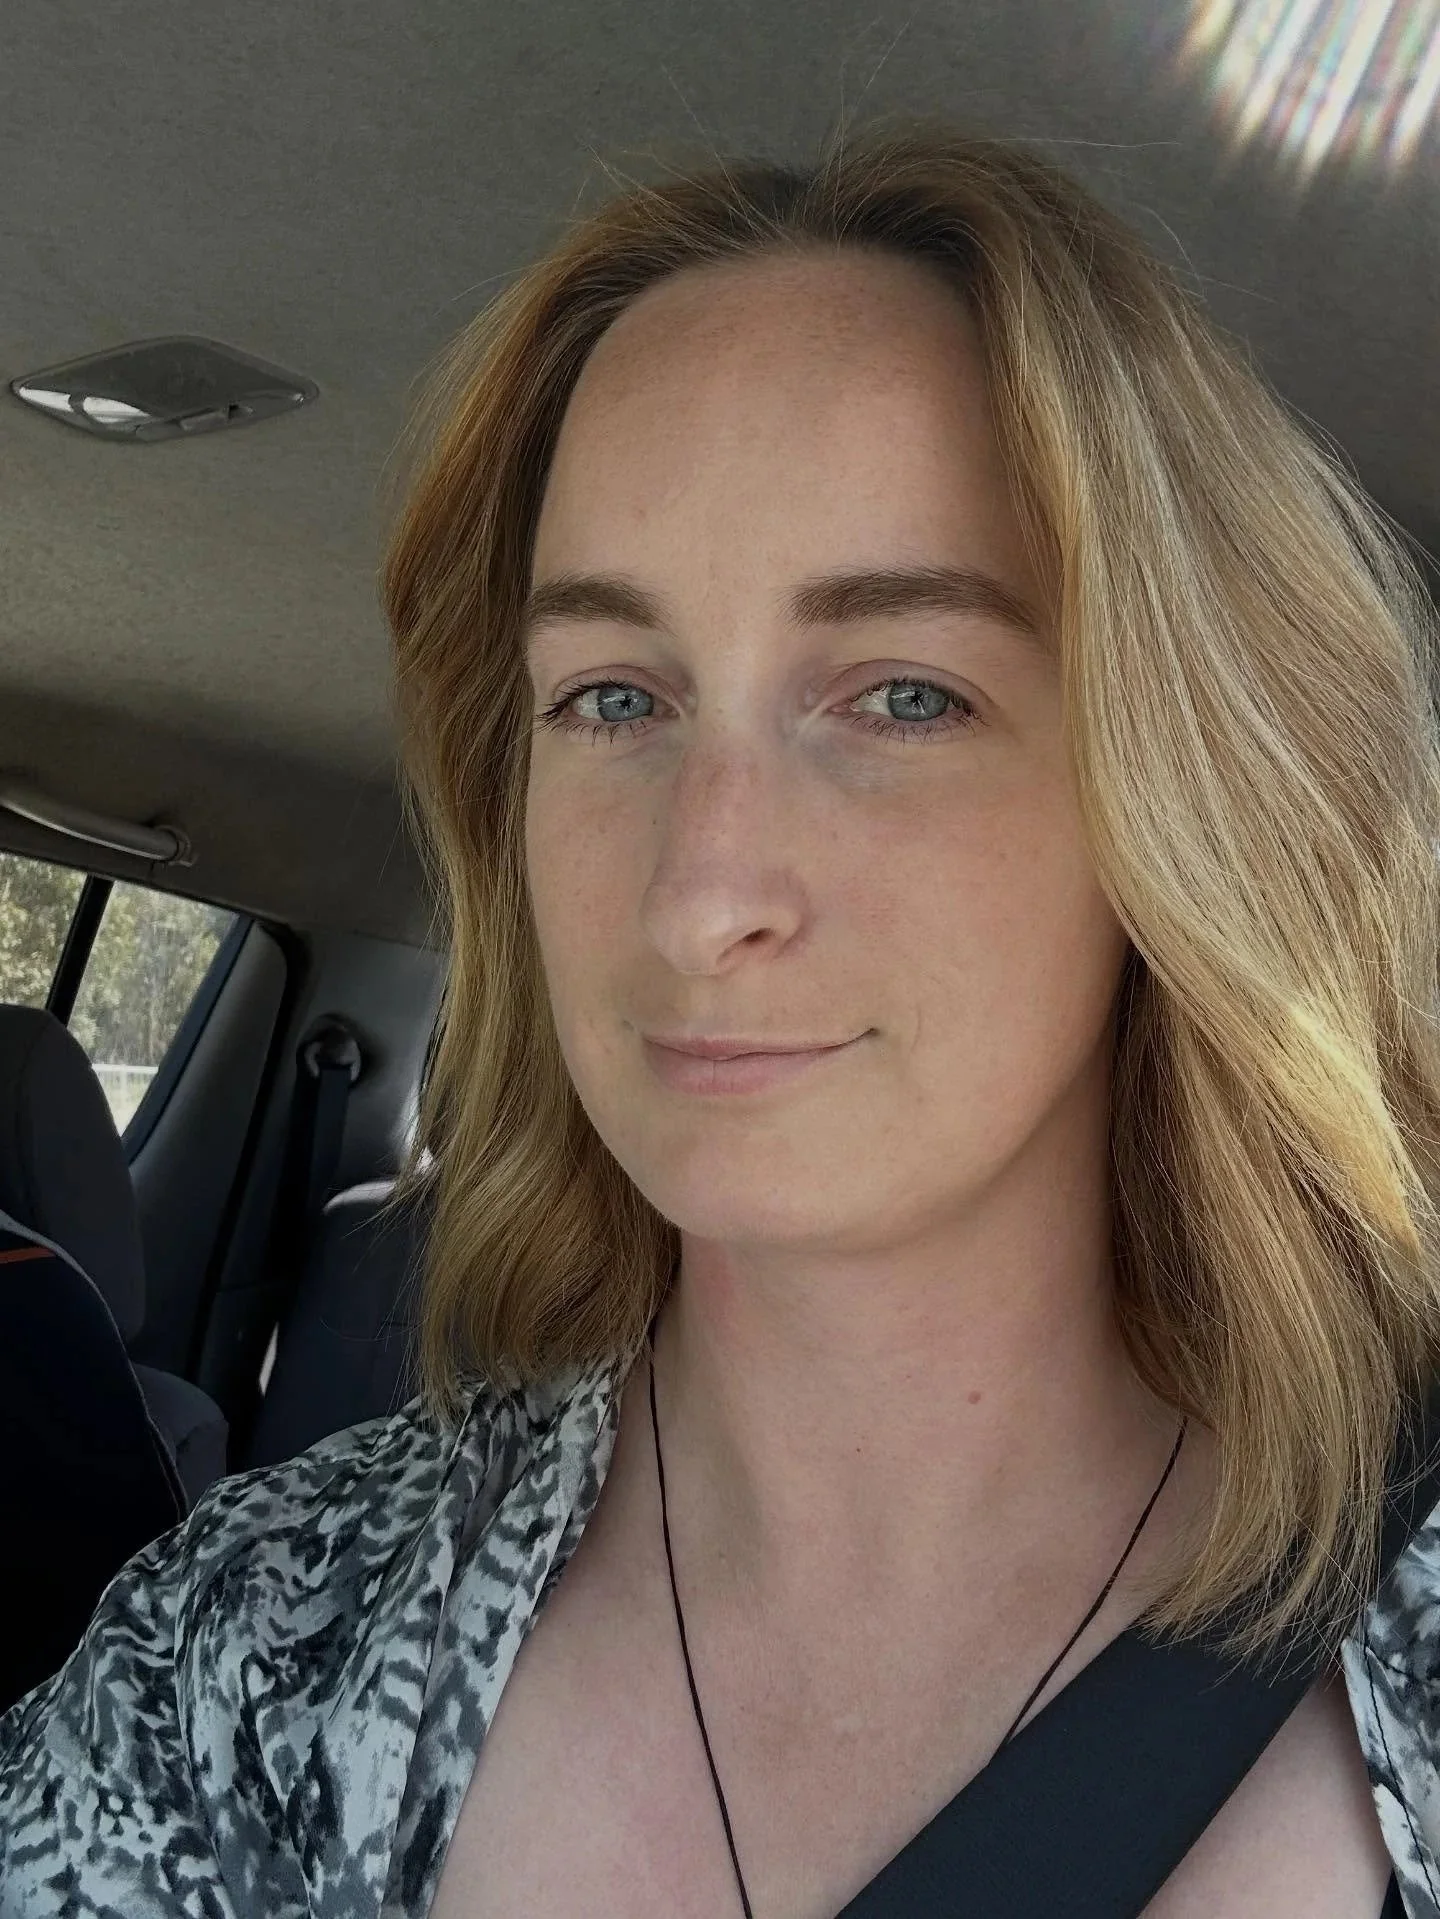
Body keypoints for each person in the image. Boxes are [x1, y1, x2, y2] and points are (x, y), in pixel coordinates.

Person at [4, 116, 1440, 1919]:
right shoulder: (246, 1659)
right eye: (613, 697)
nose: (699, 893)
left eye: (904, 695)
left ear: (1179, 796)